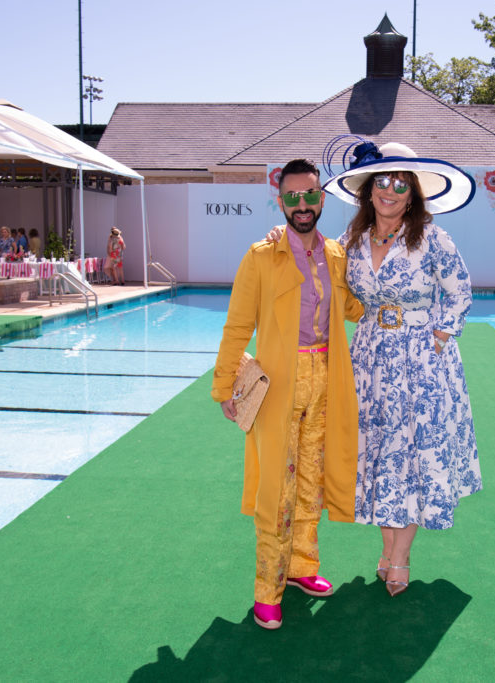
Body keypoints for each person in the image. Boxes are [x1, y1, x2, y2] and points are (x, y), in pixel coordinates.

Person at [319, 140, 481, 597]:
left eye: (400, 184)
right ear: (368, 189)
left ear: (412, 194)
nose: (389, 191)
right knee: (380, 452)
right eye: (382, 181)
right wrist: (281, 238)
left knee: (413, 455)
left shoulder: (432, 237)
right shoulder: (351, 241)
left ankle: (400, 558)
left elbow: (460, 292)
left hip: (422, 361)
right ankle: (387, 550)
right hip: (370, 357)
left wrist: (440, 337)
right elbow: (322, 273)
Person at [211, 158, 363, 631]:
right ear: (280, 202)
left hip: (326, 378)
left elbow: (354, 308)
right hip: (279, 383)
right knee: (277, 487)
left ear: (322, 199)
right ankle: (267, 589)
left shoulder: (336, 255)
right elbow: (238, 325)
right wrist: (224, 386)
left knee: (312, 480)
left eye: (310, 195)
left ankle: (301, 567)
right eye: (292, 197)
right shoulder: (261, 256)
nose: (302, 205)